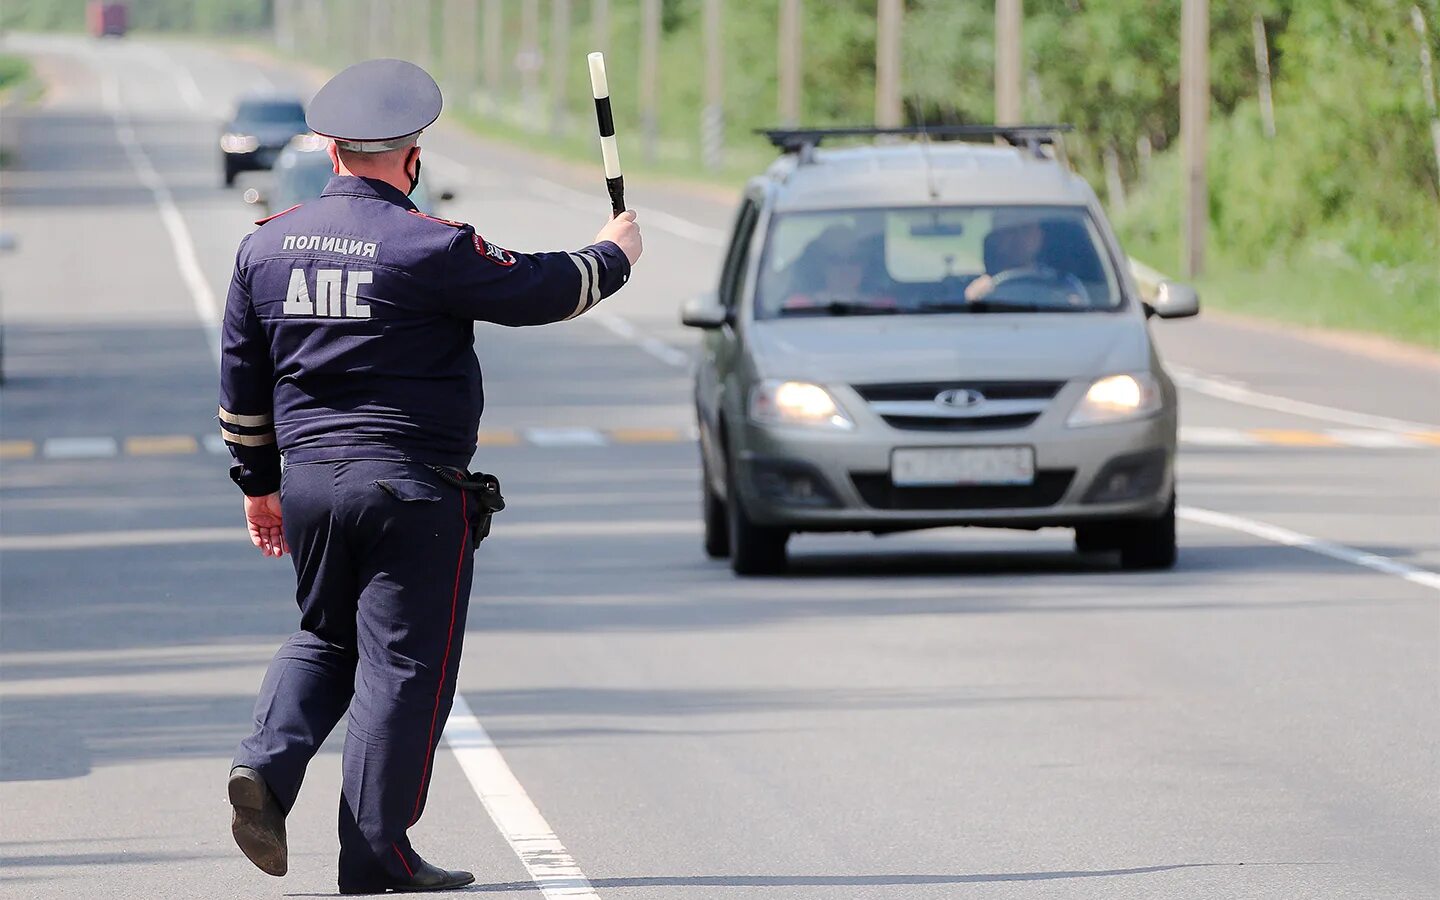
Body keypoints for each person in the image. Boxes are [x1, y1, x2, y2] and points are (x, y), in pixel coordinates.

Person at [219, 58, 641, 895]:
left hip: (308, 486)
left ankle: (265, 769)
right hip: (410, 491)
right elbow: (542, 289)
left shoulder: (263, 247)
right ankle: (378, 857)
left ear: (332, 150)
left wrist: (258, 487)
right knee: (403, 670)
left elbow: (241, 385)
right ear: (411, 156)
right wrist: (615, 252)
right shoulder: (430, 245)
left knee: (323, 637)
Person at [964, 209, 1086, 306]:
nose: (1019, 237)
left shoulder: (1064, 284)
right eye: (1010, 231)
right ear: (996, 238)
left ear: (1039, 236)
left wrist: (1072, 305)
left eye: (1026, 229)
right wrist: (972, 301)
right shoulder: (977, 288)